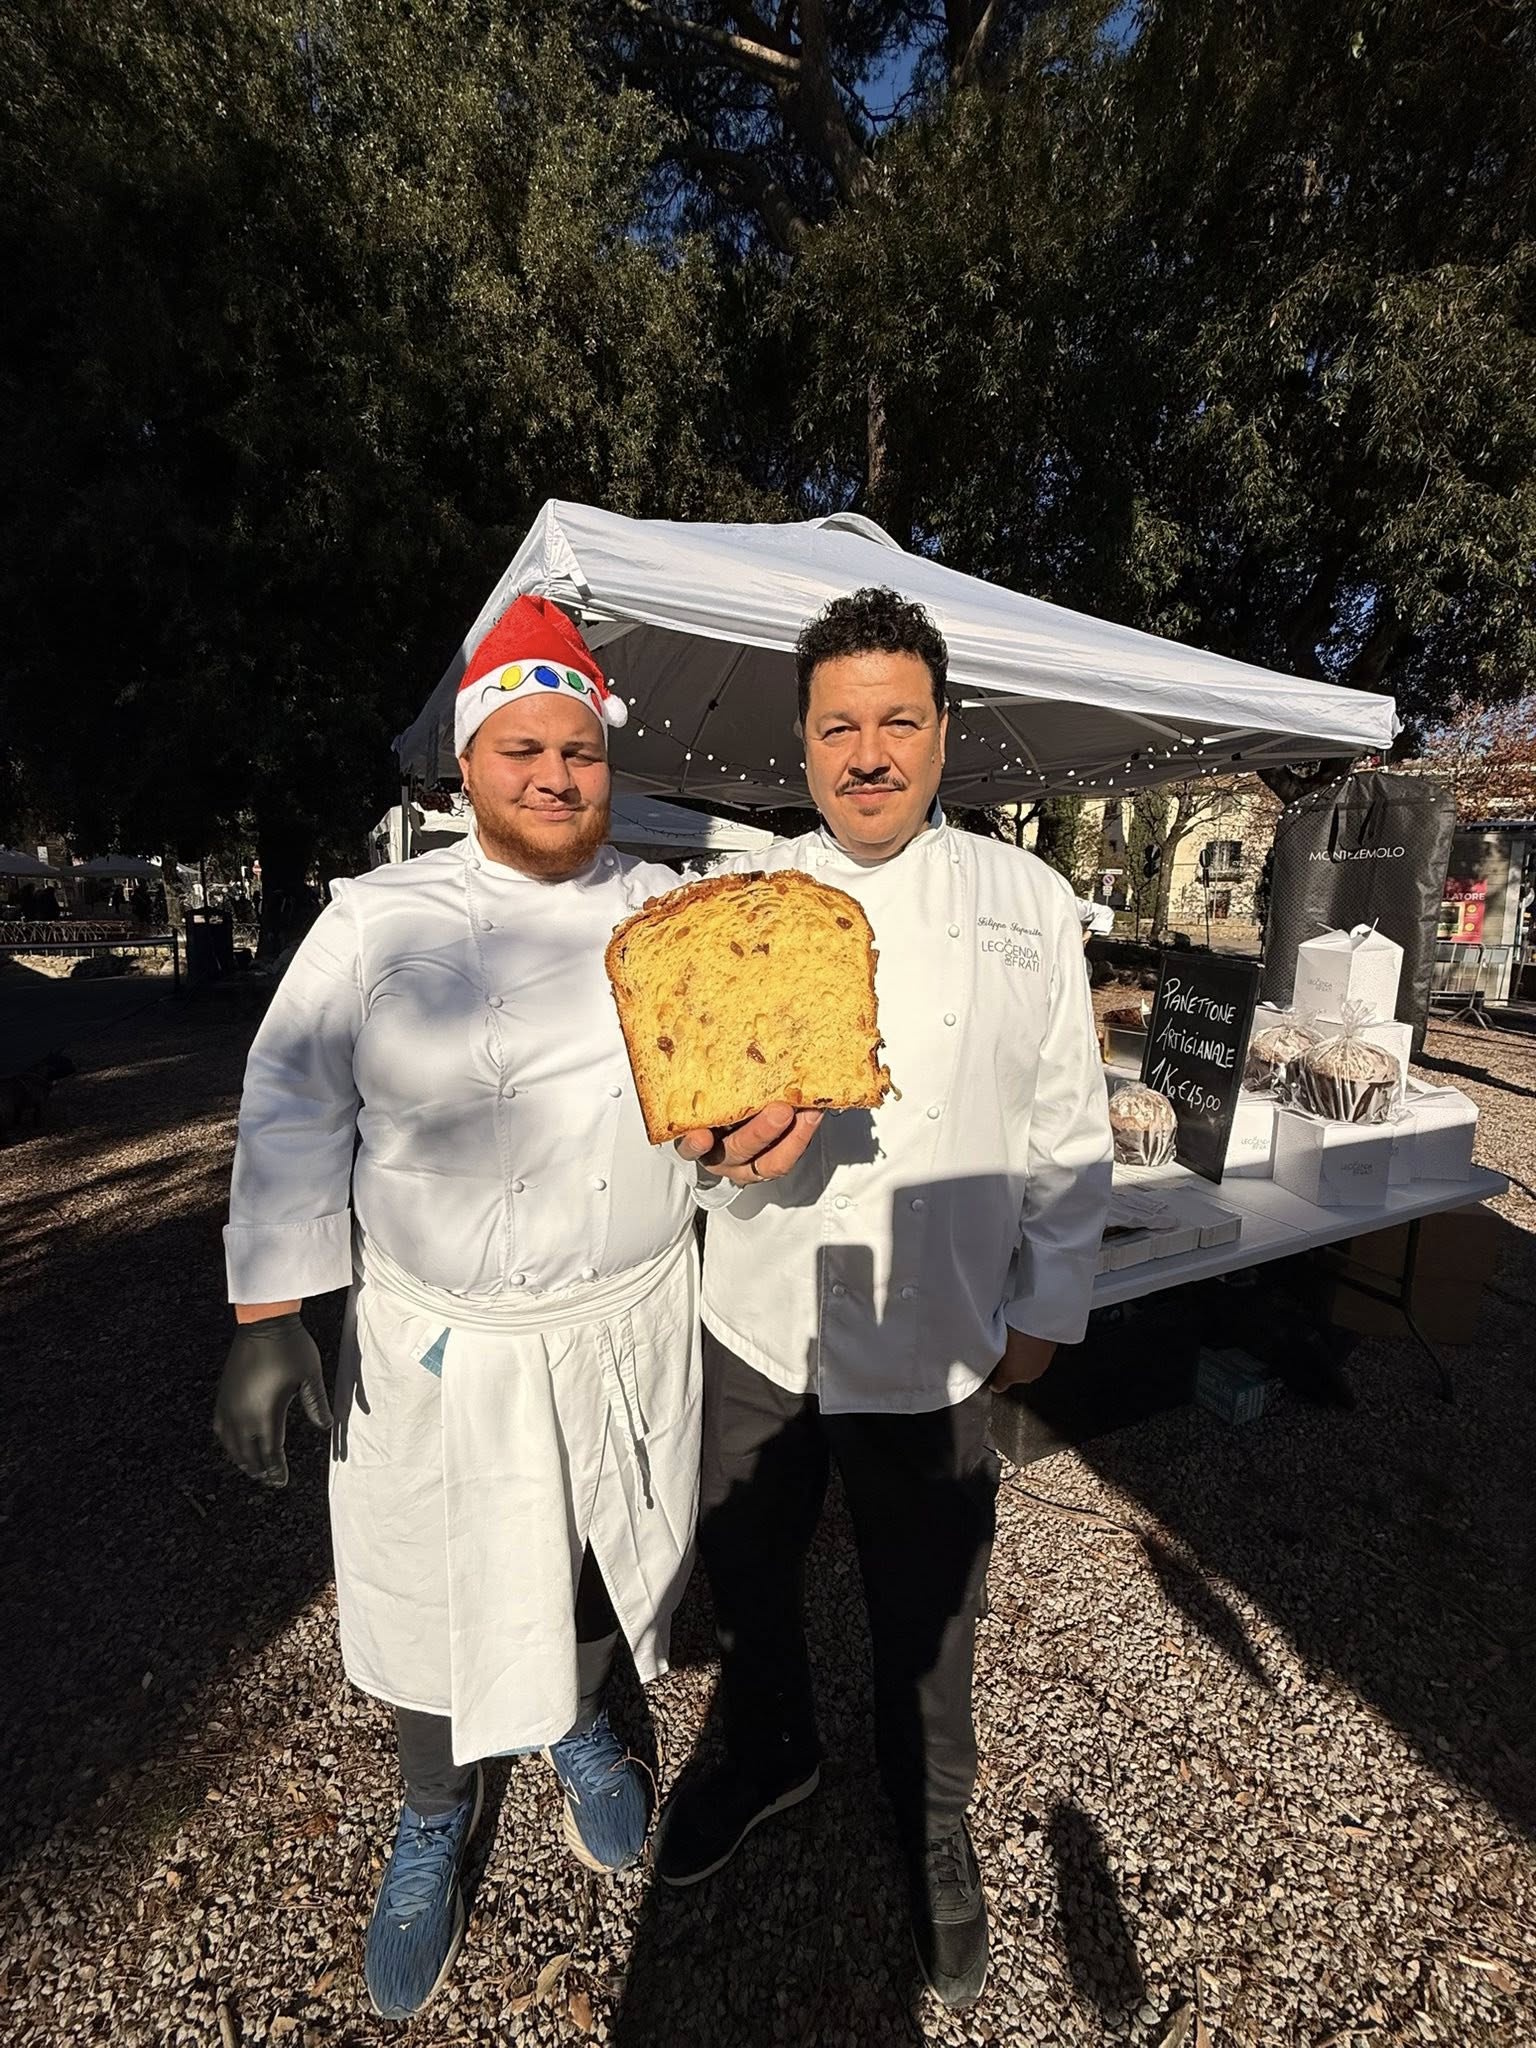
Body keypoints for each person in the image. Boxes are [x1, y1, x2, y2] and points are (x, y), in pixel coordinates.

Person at [213, 596, 817, 2021]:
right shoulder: (377, 920)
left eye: (578, 749)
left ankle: (575, 1725)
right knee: (431, 1575)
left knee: (606, 1545)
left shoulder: (672, 917)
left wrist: (750, 1150)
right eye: (521, 747)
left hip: (628, 1315)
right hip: (444, 1339)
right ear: (468, 766)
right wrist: (265, 1318)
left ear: (608, 759)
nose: (554, 774)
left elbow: (723, 1119)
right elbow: (292, 1108)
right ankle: (434, 1807)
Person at [652, 587, 1113, 2010]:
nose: (868, 754)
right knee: (752, 1576)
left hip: (934, 1334)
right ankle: (774, 1742)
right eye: (838, 726)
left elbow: (1068, 1125)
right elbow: (685, 1116)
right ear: (801, 746)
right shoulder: (740, 912)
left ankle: (931, 1823)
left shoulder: (1026, 906)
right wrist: (712, 1156)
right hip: (761, 1319)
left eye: (895, 722)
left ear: (942, 733)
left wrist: (1056, 1300)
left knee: (929, 1612)